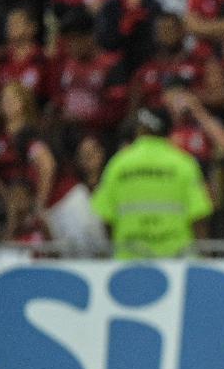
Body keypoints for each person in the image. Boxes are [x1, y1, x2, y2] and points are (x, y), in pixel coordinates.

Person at [91, 107, 213, 259]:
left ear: (141, 129)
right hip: (177, 261)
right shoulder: (183, 164)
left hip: (130, 261)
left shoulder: (119, 164)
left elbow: (105, 217)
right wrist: (204, 257)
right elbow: (199, 217)